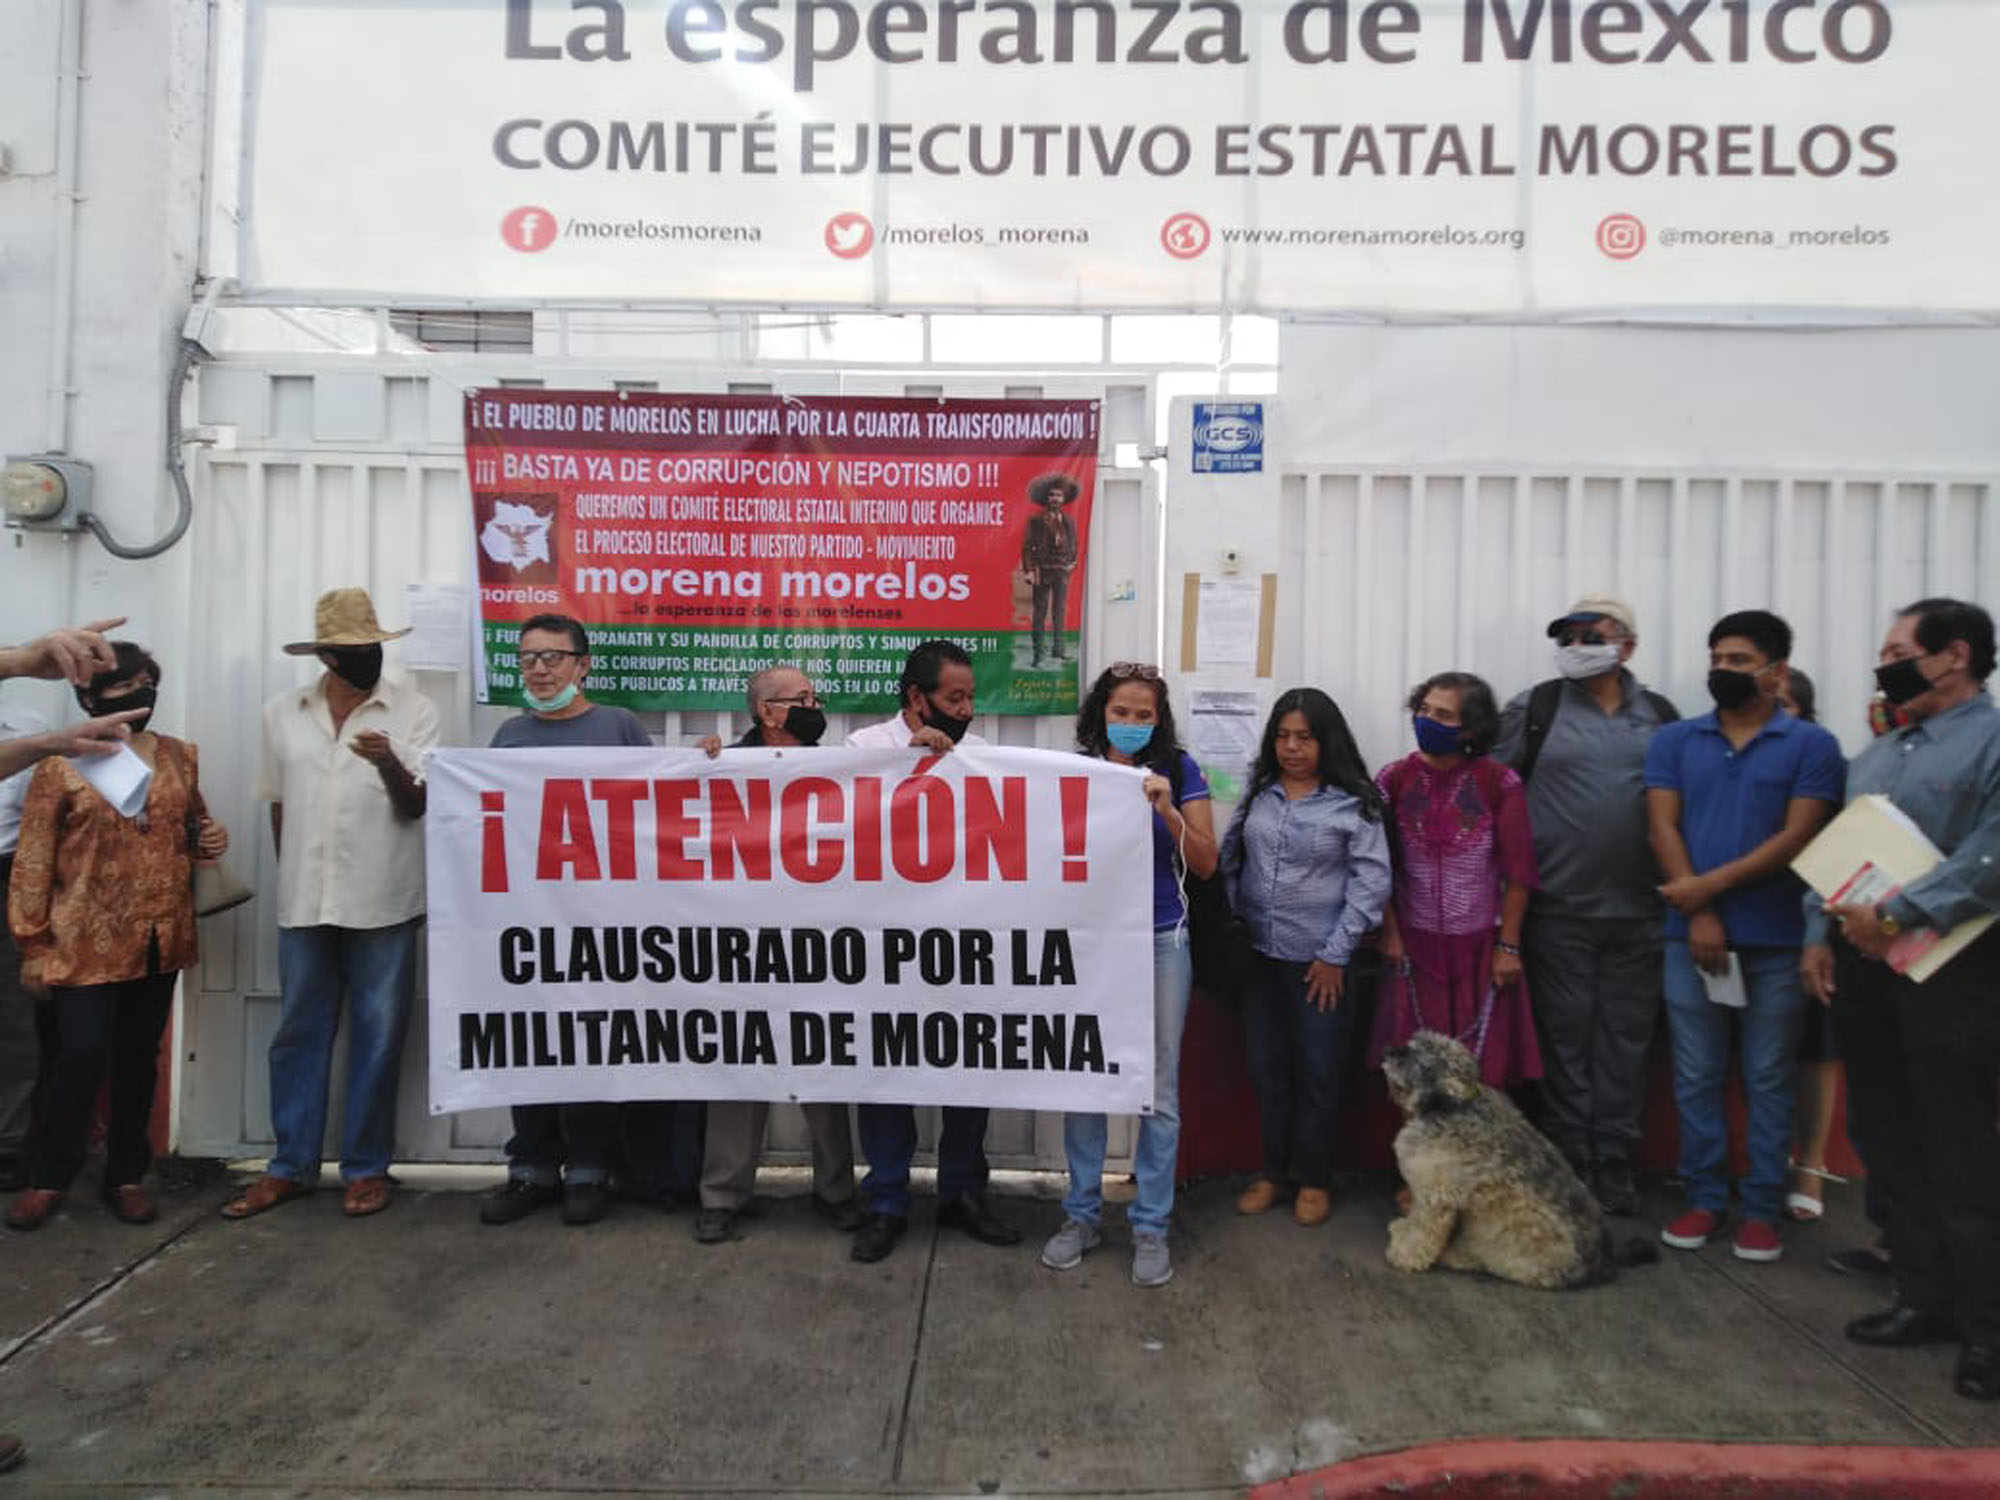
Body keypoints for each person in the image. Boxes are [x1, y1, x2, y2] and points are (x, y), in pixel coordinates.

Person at [1801, 598, 2000, 1401]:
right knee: (1887, 1133)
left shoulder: (1990, 740)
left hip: (1954, 971)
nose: (1883, 663)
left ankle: (1987, 1327)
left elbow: (1991, 854)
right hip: (1866, 972)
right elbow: (1841, 854)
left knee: (1959, 1148)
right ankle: (1922, 1296)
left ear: (1954, 655)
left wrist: (1897, 915)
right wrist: (1821, 935)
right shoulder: (1878, 753)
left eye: (1897, 649)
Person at [224, 589, 437, 1222]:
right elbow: (278, 806)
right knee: (298, 1034)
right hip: (305, 899)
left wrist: (388, 764)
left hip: (384, 897)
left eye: (372, 647)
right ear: (326, 655)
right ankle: (289, 1165)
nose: (366, 658)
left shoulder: (413, 710)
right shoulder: (281, 714)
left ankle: (367, 1167)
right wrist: (293, 876)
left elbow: (417, 803)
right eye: (351, 651)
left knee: (378, 1038)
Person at [6, 641, 228, 1231]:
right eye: (119, 693)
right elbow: (33, 858)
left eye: (143, 689)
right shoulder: (60, 763)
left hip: (159, 932)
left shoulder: (180, 756)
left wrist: (211, 841)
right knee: (77, 1056)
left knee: (138, 1059)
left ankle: (127, 1175)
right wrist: (32, 943)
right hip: (81, 937)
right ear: (86, 698)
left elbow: (194, 824)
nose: (135, 702)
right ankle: (49, 1176)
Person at [1645, 611, 1844, 1264]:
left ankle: (1761, 1207)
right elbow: (1663, 827)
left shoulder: (1812, 747)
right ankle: (1704, 1196)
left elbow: (1797, 838)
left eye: (1738, 660)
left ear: (1776, 670)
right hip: (1689, 938)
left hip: (1780, 941)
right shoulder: (1675, 740)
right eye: (1716, 659)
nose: (1722, 671)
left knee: (1767, 1075)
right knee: (1697, 1074)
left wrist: (1706, 890)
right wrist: (1698, 912)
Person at [1494, 592, 1679, 1216]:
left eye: (1589, 635)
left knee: (1626, 1041)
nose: (1576, 647)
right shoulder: (1536, 708)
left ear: (1626, 644)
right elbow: (1497, 792)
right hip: (1558, 909)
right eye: (1567, 636)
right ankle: (1573, 1157)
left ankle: (1616, 1157)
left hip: (1640, 911)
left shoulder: (1659, 716)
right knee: (1566, 1039)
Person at [844, 640, 1020, 1261]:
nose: (967, 710)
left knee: (968, 1067)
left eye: (971, 697)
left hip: (961, 939)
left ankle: (963, 1192)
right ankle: (887, 1200)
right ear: (916, 699)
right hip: (883, 945)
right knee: (885, 1069)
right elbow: (842, 828)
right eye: (954, 698)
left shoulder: (984, 759)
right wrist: (906, 764)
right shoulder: (863, 750)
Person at [1041, 663, 1215, 1288]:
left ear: (1159, 721)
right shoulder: (1077, 770)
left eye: (1145, 715)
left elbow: (1206, 861)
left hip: (1162, 941)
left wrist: (1167, 807)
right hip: (1092, 942)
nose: (1133, 723)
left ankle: (1150, 1226)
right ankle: (1081, 1216)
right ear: (1101, 714)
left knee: (1158, 1087)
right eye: (1122, 712)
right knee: (1086, 1077)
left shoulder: (1181, 770)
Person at [477, 614, 653, 1227]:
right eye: (528, 658)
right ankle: (530, 1170)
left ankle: (588, 1169)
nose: (540, 669)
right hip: (527, 919)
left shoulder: (619, 728)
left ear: (583, 665)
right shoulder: (507, 738)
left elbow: (657, 815)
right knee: (529, 1041)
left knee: (591, 1037)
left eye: (553, 657)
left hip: (602, 919)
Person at [692, 665, 863, 1245]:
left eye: (815, 697)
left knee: (823, 1064)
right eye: (802, 698)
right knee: (739, 1065)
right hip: (742, 943)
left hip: (818, 940)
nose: (815, 706)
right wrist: (699, 763)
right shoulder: (723, 765)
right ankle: (722, 1194)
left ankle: (837, 1188)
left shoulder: (839, 767)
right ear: (767, 712)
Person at [1222, 688, 1391, 1227]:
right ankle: (1274, 1173)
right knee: (1268, 1072)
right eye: (1283, 736)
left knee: (1318, 1073)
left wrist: (1336, 954)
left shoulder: (1352, 804)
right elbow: (1231, 861)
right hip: (1259, 961)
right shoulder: (1260, 796)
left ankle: (1314, 1178)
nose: (1292, 748)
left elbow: (1371, 884)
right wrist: (1231, 928)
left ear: (1327, 742)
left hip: (1321, 965)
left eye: (1305, 737)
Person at [1, 619, 141, 1195]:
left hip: (10, 872)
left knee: (14, 1023)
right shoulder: (43, 736)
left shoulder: (30, 724)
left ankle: (10, 1148)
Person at [1371, 673, 1542, 1091]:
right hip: (1414, 948)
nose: (1427, 720)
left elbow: (1520, 872)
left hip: (1480, 951)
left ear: (1470, 728)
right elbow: (1380, 865)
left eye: (1443, 714)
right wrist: (1391, 933)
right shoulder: (1392, 780)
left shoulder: (1499, 783)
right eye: (1423, 710)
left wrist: (1508, 946)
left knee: (1480, 1077)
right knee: (1415, 1077)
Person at [1020, 474, 1080, 669]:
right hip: (1042, 571)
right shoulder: (1036, 521)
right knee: (1040, 612)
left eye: (1059, 496)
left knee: (1059, 612)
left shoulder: (1069, 521)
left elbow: (1073, 543)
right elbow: (1028, 547)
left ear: (1063, 500)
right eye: (1052, 495)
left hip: (1061, 571)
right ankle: (1038, 654)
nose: (1055, 499)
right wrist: (1029, 571)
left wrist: (1072, 561)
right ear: (1047, 498)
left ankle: (1059, 650)